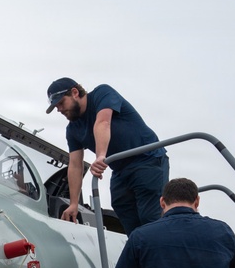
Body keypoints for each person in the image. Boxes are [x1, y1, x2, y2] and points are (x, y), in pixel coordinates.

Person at [46, 77, 169, 235]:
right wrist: (73, 203)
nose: (59, 109)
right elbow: (75, 165)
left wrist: (100, 156)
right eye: (56, 107)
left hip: (147, 159)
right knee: (124, 212)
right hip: (121, 170)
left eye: (61, 103)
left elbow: (103, 122)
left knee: (150, 217)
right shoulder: (72, 130)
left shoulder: (102, 94)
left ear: (75, 93)